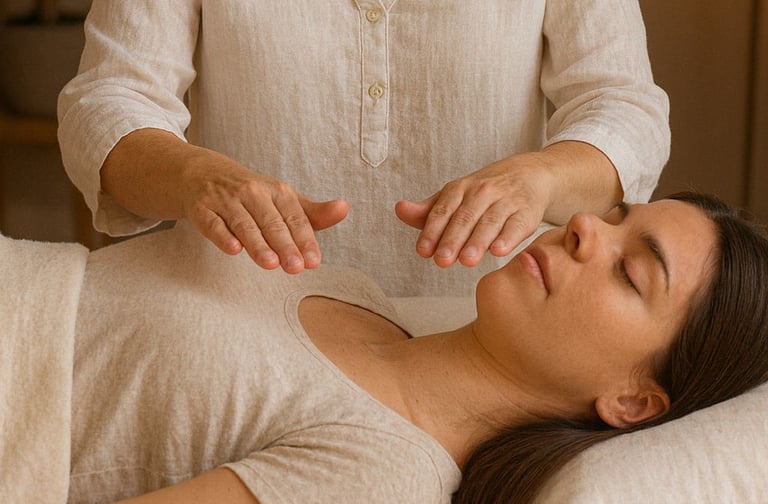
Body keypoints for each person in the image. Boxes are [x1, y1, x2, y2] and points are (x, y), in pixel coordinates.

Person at [2, 192, 767, 504]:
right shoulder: (352, 291)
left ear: (632, 402)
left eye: (631, 272)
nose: (584, 232)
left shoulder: (380, 482)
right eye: (613, 218)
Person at [57, 0, 670, 296]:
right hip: (242, 328)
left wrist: (542, 178)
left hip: (482, 335)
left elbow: (625, 106)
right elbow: (107, 101)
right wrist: (194, 174)